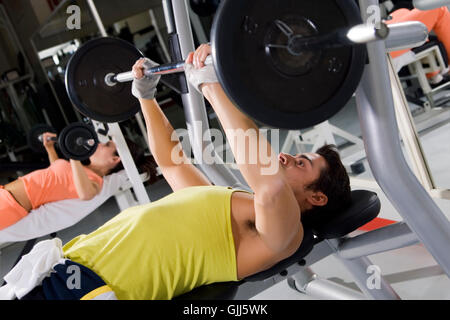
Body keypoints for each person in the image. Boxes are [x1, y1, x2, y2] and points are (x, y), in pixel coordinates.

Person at [4, 44, 352, 301]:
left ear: (316, 196)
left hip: (86, 291)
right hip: (62, 265)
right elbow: (172, 163)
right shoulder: (234, 201)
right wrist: (145, 97)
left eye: (302, 163)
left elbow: (271, 186)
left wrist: (212, 86)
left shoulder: (285, 233)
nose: (288, 158)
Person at [0, 130, 156, 231]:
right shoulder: (80, 168)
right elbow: (54, 172)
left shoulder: (94, 182)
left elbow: (86, 195)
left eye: (107, 145)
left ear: (115, 159)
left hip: (9, 206)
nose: (100, 144)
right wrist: (50, 148)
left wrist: (73, 155)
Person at [386, 2, 450, 83]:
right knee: (438, 8)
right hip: (381, 45)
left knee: (403, 11)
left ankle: (433, 74)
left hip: (379, 37)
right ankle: (434, 74)